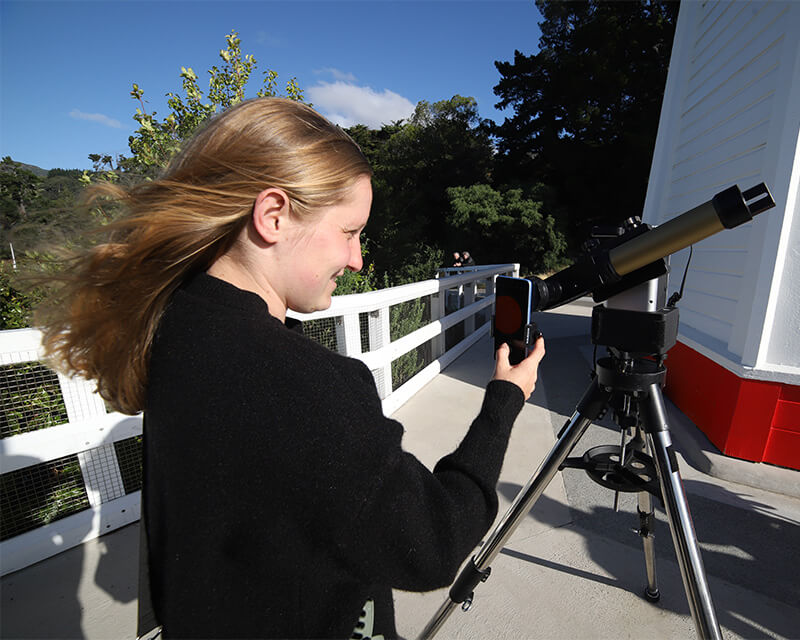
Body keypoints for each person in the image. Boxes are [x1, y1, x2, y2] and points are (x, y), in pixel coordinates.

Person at [37, 97, 545, 640]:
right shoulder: (308, 386)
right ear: (273, 215)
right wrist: (502, 402)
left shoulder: (174, 326)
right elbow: (434, 543)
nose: (357, 260)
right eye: (350, 232)